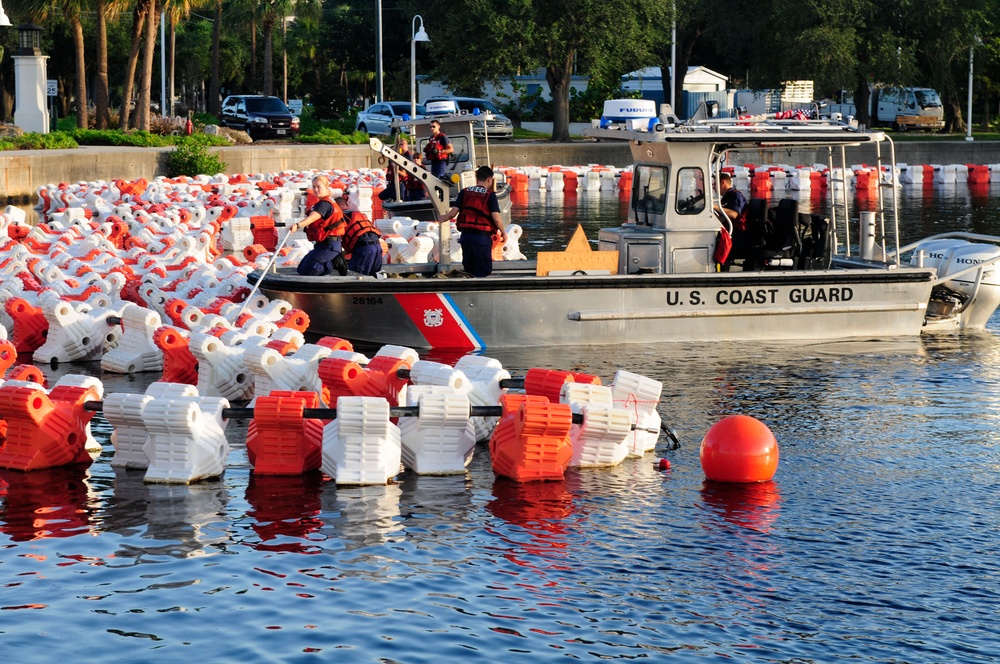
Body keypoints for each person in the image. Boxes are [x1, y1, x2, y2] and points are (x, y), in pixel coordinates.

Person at [438, 165, 508, 277]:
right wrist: (503, 232)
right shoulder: (490, 195)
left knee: (469, 269)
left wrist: (442, 218)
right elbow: (496, 218)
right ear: (489, 179)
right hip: (481, 238)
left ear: (476, 178)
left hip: (466, 237)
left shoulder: (464, 192)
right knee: (483, 270)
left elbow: (452, 213)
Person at [290, 175, 348, 276]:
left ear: (326, 187)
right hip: (322, 245)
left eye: (319, 187)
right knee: (301, 268)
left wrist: (297, 225)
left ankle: (334, 263)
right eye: (314, 187)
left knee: (309, 271)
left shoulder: (324, 204)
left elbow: (312, 217)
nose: (316, 190)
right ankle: (331, 260)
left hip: (330, 245)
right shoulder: (322, 202)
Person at [336, 193, 383, 277]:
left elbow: (337, 241)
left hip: (364, 250)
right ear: (347, 205)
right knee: (375, 278)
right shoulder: (359, 215)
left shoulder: (340, 217)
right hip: (377, 248)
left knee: (356, 278)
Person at [713, 172, 750, 270]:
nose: (713, 187)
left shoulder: (735, 196)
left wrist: (715, 207)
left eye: (714, 184)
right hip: (731, 231)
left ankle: (721, 270)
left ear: (722, 182)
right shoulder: (726, 197)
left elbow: (734, 214)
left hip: (738, 234)